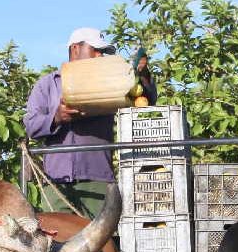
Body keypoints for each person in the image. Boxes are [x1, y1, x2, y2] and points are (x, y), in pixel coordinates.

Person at [24, 27, 157, 217]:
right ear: (75, 49)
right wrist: (57, 117)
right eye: (95, 49)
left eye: (103, 52)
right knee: (57, 242)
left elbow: (145, 100)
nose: (99, 55)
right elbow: (31, 126)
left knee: (100, 243)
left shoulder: (112, 84)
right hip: (57, 182)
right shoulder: (48, 84)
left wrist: (143, 74)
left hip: (98, 180)